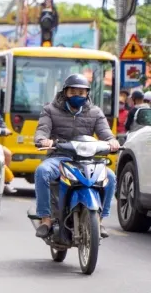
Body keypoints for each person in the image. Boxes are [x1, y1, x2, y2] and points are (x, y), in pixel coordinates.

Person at [33, 74, 119, 239]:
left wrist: (112, 141)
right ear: (66, 92)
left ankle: (99, 220)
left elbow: (105, 133)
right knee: (42, 171)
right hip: (60, 157)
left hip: (88, 159)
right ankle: (45, 219)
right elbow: (42, 129)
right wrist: (42, 140)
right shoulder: (50, 109)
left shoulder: (95, 112)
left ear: (87, 94)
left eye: (82, 92)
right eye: (74, 92)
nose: (78, 95)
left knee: (111, 177)